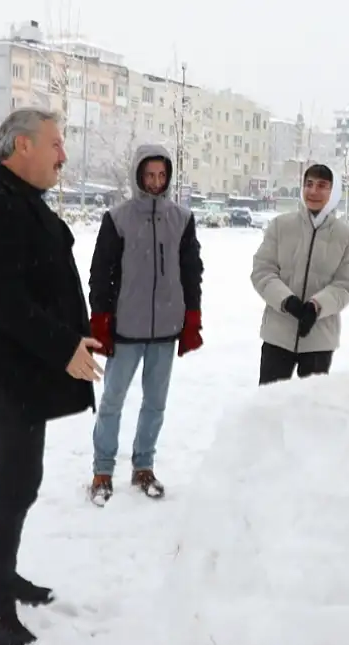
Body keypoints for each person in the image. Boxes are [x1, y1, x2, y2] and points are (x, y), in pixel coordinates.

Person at [0, 108, 103, 645]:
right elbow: (2, 300)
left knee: (4, 478)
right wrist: (62, 346)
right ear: (22, 146)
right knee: (15, 483)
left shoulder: (15, 199)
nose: (63, 155)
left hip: (22, 371)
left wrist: (73, 337)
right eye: (56, 144)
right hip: (8, 374)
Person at [86, 143, 204, 506]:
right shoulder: (118, 218)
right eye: (149, 175)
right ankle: (103, 470)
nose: (156, 182)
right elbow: (100, 272)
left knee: (155, 403)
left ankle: (143, 467)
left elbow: (191, 272)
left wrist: (191, 317)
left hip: (165, 329)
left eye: (161, 175)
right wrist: (101, 318)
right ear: (139, 175)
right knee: (112, 401)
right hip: (126, 327)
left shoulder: (181, 219)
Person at [250, 163, 349, 384]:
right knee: (270, 409)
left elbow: (346, 284)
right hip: (277, 336)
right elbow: (263, 270)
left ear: (334, 191)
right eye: (308, 184)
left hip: (319, 339)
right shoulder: (281, 226)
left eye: (322, 185)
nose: (313, 191)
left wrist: (316, 306)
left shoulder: (346, 236)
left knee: (310, 414)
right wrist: (287, 301)